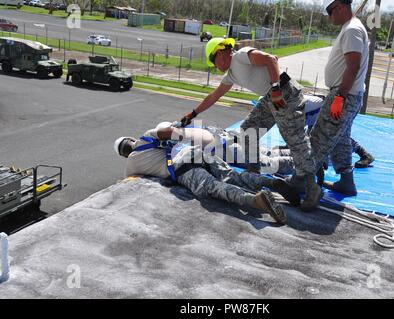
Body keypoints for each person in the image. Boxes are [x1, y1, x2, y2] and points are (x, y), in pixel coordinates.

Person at [175, 38, 322, 212]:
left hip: (284, 92)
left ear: (221, 53)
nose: (214, 66)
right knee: (247, 133)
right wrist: (192, 114)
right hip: (270, 97)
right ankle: (256, 177)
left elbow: (271, 59)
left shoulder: (241, 56)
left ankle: (313, 188)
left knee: (295, 141)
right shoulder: (231, 74)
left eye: (213, 61)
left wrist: (276, 89)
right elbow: (214, 96)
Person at [113, 122, 302, 224]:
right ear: (131, 139)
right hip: (196, 153)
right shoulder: (148, 136)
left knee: (215, 187)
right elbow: (170, 131)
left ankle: (254, 200)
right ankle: (271, 183)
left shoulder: (131, 165)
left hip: (181, 169)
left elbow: (127, 182)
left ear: (123, 154)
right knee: (232, 175)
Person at [309, 0, 370, 196]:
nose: (329, 16)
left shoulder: (352, 30)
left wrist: (339, 97)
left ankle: (302, 181)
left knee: (319, 138)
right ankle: (346, 181)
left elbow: (353, 66)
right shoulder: (350, 28)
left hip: (344, 94)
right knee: (342, 141)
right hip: (348, 94)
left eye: (330, 11)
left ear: (341, 7)